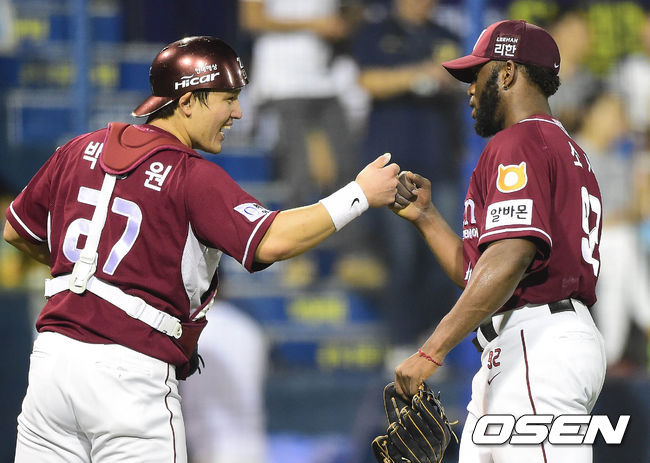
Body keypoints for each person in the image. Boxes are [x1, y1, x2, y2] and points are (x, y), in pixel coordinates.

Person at [3, 36, 399, 463]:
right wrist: (359, 194)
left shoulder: (78, 148)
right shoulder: (190, 175)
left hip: (52, 366)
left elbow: (16, 230)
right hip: (130, 373)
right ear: (189, 101)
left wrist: (90, 277)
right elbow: (274, 239)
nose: (238, 112)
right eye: (228, 98)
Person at [391, 20, 607, 463]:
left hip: (537, 344)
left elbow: (509, 258)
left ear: (507, 72)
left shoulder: (520, 141)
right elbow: (483, 274)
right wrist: (427, 218)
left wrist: (431, 351)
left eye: (478, 74)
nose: (470, 89)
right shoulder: (561, 146)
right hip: (523, 345)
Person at [350, 0, 464, 356]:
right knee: (402, 257)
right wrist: (418, 75)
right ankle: (401, 340)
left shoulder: (446, 35)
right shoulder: (377, 32)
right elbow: (367, 81)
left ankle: (430, 338)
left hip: (439, 162)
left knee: (446, 256)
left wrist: (447, 81)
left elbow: (465, 81)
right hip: (393, 164)